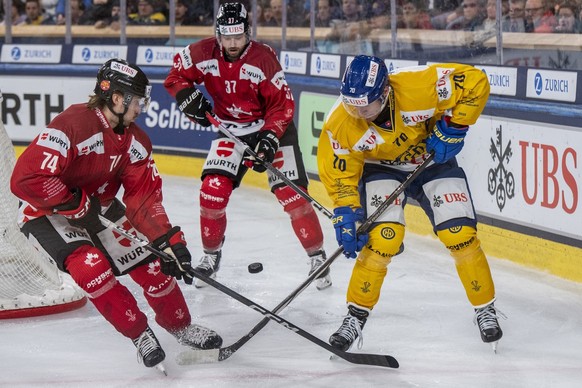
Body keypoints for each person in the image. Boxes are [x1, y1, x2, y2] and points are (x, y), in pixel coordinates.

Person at [10, 59, 222, 372]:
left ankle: (181, 327)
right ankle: (140, 335)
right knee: (91, 269)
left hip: (100, 208)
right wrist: (70, 200)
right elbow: (25, 179)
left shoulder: (136, 142)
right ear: (118, 98)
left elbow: (143, 198)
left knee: (152, 266)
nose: (142, 107)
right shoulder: (73, 124)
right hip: (47, 212)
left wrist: (167, 240)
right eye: (137, 100)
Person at [317, 55, 505, 353]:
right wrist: (347, 212)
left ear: (385, 92)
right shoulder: (341, 121)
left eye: (364, 104)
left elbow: (475, 82)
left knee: (460, 235)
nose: (357, 111)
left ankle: (485, 309)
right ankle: (354, 318)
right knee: (383, 240)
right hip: (382, 169)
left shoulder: (418, 86)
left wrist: (456, 127)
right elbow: (341, 174)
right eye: (350, 103)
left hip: (432, 161)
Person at [163, 2, 331, 291]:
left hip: (271, 130)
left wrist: (269, 138)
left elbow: (282, 106)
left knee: (293, 197)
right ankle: (211, 256)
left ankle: (317, 258)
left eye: (237, 37)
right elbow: (175, 76)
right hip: (231, 131)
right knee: (212, 192)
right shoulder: (202, 53)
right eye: (226, 37)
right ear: (217, 34)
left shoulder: (263, 58)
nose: (231, 44)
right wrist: (186, 97)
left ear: (247, 33)